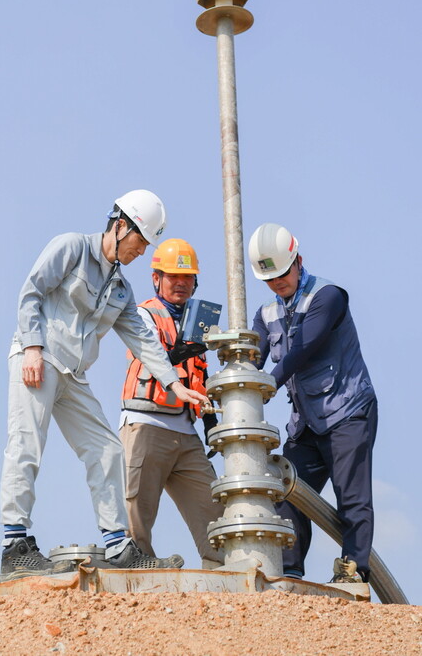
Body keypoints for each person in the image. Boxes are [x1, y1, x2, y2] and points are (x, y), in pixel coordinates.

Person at [0, 190, 209, 579]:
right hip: (39, 360)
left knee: (108, 450)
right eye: (140, 241)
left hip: (73, 377)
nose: (142, 251)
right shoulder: (71, 248)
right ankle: (15, 545)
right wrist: (31, 347)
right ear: (120, 225)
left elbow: (143, 341)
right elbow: (31, 292)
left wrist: (175, 385)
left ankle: (118, 545)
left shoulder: (121, 290)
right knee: (26, 445)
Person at [248, 222, 377, 584]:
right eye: (269, 279)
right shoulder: (267, 313)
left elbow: (304, 348)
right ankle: (289, 571)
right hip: (305, 423)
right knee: (289, 492)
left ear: (298, 261)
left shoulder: (328, 296)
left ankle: (354, 570)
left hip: (347, 411)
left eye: (283, 274)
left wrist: (269, 382)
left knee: (351, 496)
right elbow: (251, 359)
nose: (278, 283)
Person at [119, 238, 224, 569]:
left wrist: (211, 425)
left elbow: (200, 376)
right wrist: (186, 349)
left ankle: (225, 585)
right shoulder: (143, 314)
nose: (180, 283)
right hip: (146, 425)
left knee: (214, 516)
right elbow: (153, 356)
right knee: (136, 516)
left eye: (187, 277)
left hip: (184, 430)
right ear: (156, 278)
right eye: (172, 276)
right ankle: (136, 589)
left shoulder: (197, 322)